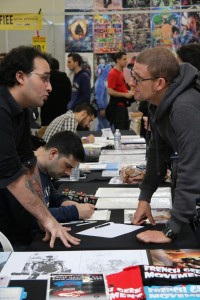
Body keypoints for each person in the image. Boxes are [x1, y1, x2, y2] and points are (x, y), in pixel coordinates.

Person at [0, 45, 80, 249]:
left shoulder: (22, 111)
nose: (50, 87)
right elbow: (12, 176)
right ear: (20, 77)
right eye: (44, 78)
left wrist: (44, 210)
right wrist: (47, 219)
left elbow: (29, 161)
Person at [131, 47, 200, 244]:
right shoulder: (158, 103)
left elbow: (193, 167)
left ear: (159, 83)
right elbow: (157, 151)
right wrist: (145, 197)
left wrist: (171, 230)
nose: (131, 83)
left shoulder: (184, 106)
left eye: (138, 78)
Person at [35, 131, 95, 223]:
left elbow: (51, 194)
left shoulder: (44, 169)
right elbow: (34, 215)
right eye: (67, 166)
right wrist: (73, 212)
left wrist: (64, 202)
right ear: (53, 153)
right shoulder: (28, 171)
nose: (68, 173)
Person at [106, 52, 134, 130]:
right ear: (118, 60)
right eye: (124, 59)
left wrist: (128, 92)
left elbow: (121, 88)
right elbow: (110, 91)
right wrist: (125, 95)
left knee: (125, 128)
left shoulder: (120, 72)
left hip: (123, 105)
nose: (126, 61)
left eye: (126, 59)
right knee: (120, 130)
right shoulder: (113, 73)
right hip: (117, 106)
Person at [40, 56, 72, 126]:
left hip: (47, 114)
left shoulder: (46, 79)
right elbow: (69, 97)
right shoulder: (66, 79)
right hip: (62, 114)